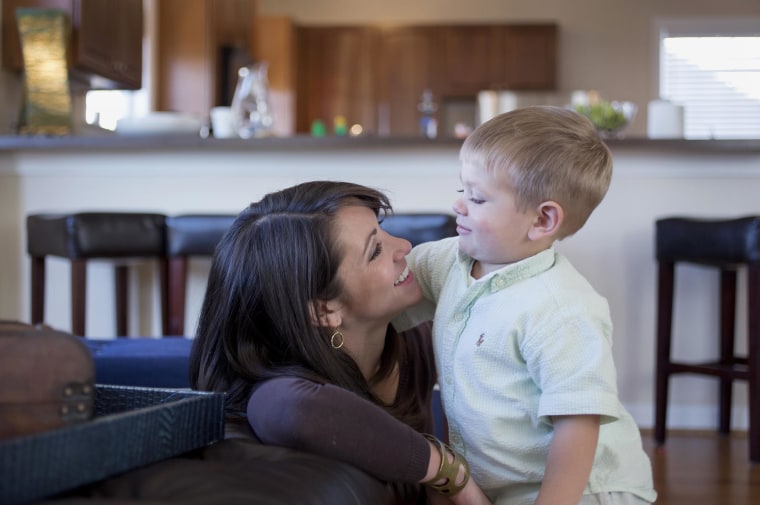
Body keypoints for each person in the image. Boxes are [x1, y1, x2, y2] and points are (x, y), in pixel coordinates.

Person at [394, 106, 657, 505]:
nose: (458, 205)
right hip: (505, 484)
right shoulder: (450, 261)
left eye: (478, 198)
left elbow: (577, 427)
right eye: (463, 189)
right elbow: (386, 287)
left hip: (581, 490)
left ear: (542, 220)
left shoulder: (563, 309)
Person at [188, 180, 491, 505]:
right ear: (325, 309)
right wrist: (447, 472)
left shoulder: (409, 343)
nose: (404, 245)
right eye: (375, 251)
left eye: (382, 228)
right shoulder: (280, 392)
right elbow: (290, 407)